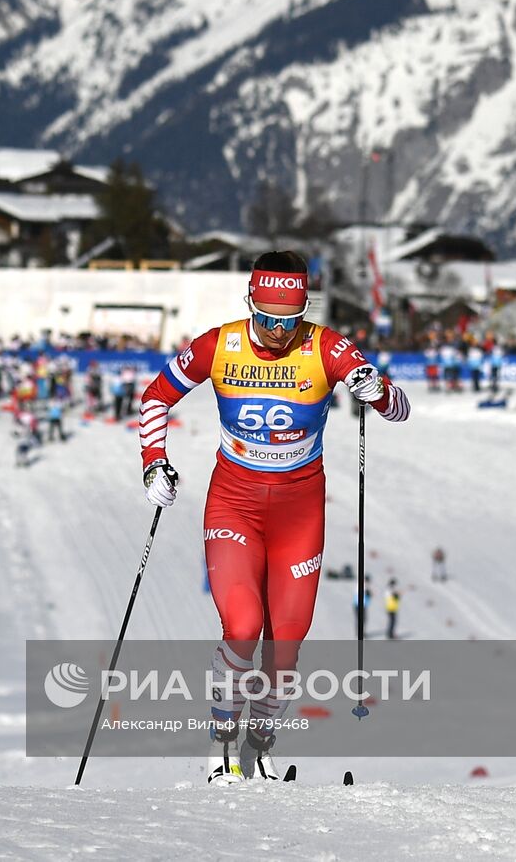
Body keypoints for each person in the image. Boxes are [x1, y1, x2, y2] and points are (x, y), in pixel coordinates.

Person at [135, 250, 410, 783]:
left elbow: (399, 409)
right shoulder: (219, 345)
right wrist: (154, 465)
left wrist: (378, 393)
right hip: (234, 503)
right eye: (267, 318)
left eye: (291, 319)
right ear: (250, 305)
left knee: (285, 645)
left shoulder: (327, 346)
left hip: (299, 511)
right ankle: (221, 742)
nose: (280, 331)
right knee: (242, 627)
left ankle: (257, 749)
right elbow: (154, 398)